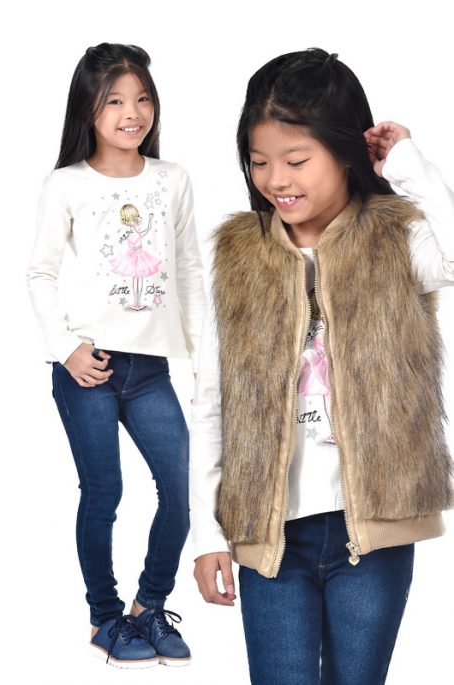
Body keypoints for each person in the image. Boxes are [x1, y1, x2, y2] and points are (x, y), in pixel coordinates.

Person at [190, 48, 454, 684]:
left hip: (376, 528)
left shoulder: (398, 239)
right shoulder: (239, 257)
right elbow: (211, 400)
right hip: (270, 535)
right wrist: (207, 535)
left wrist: (407, 163)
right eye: (259, 161)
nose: (276, 179)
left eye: (296, 160)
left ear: (345, 152)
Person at [27, 42, 205, 668]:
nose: (133, 113)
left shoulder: (172, 179)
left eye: (142, 99)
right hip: (89, 368)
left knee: (180, 487)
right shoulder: (66, 184)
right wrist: (66, 349)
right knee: (104, 492)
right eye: (115, 102)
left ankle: (148, 606)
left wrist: (203, 361)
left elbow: (188, 270)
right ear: (89, 109)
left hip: (150, 370)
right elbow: (40, 274)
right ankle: (105, 618)